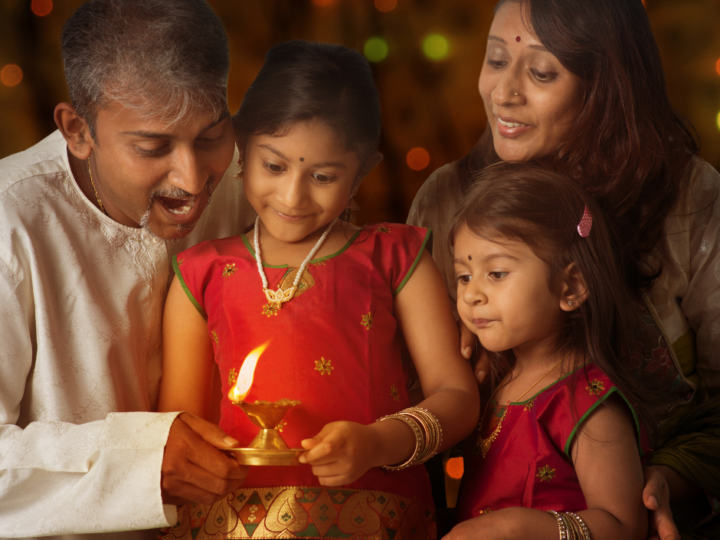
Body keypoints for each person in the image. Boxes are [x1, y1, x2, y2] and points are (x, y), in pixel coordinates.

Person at [407, 1, 720, 538]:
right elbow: (405, 392)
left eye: (542, 72)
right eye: (495, 59)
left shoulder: (688, 197)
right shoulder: (448, 198)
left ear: (606, 84)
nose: (504, 93)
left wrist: (666, 476)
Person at [157, 40, 479, 540]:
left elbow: (458, 396)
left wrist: (378, 443)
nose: (292, 197)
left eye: (323, 176)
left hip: (379, 521)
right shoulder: (200, 272)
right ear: (242, 147)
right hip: (230, 525)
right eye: (274, 166)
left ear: (362, 172)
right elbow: (179, 429)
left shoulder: (395, 257)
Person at [0, 1, 257, 538]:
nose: (191, 181)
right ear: (78, 130)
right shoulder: (10, 220)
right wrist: (142, 462)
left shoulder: (257, 180)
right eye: (152, 146)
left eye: (210, 136)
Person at [447, 162, 650, 540]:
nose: (471, 294)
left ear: (570, 286)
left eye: (497, 273)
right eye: (464, 276)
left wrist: (514, 527)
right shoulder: (488, 380)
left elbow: (626, 526)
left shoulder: (586, 404)